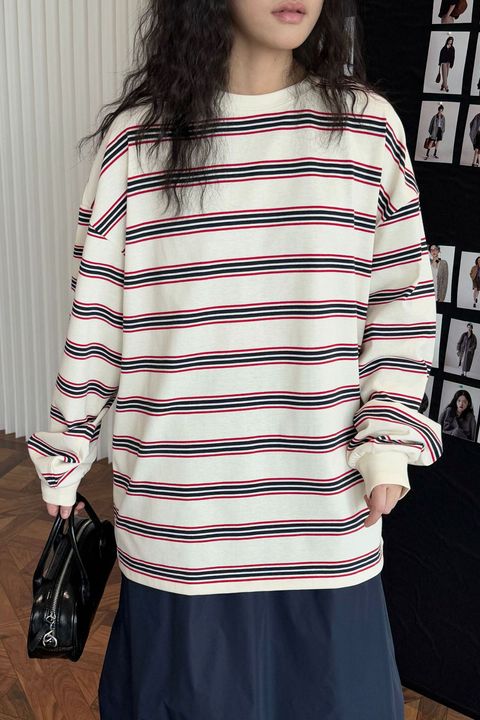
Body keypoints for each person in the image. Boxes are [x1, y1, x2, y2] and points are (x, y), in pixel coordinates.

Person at [26, 0, 444, 718]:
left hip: (324, 516)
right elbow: (97, 317)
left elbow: (402, 301)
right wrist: (67, 446)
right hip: (182, 520)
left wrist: (388, 436)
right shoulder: (139, 145)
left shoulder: (367, 132)